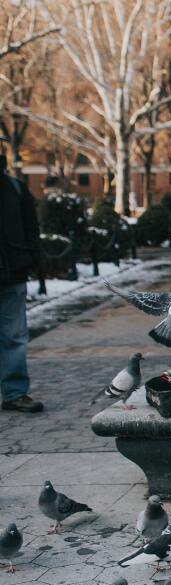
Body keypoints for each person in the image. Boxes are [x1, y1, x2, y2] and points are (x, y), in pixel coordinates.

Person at [0, 141, 44, 413]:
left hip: (12, 274)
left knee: (14, 338)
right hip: (14, 271)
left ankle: (15, 393)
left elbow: (32, 228)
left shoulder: (15, 188)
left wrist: (31, 260)